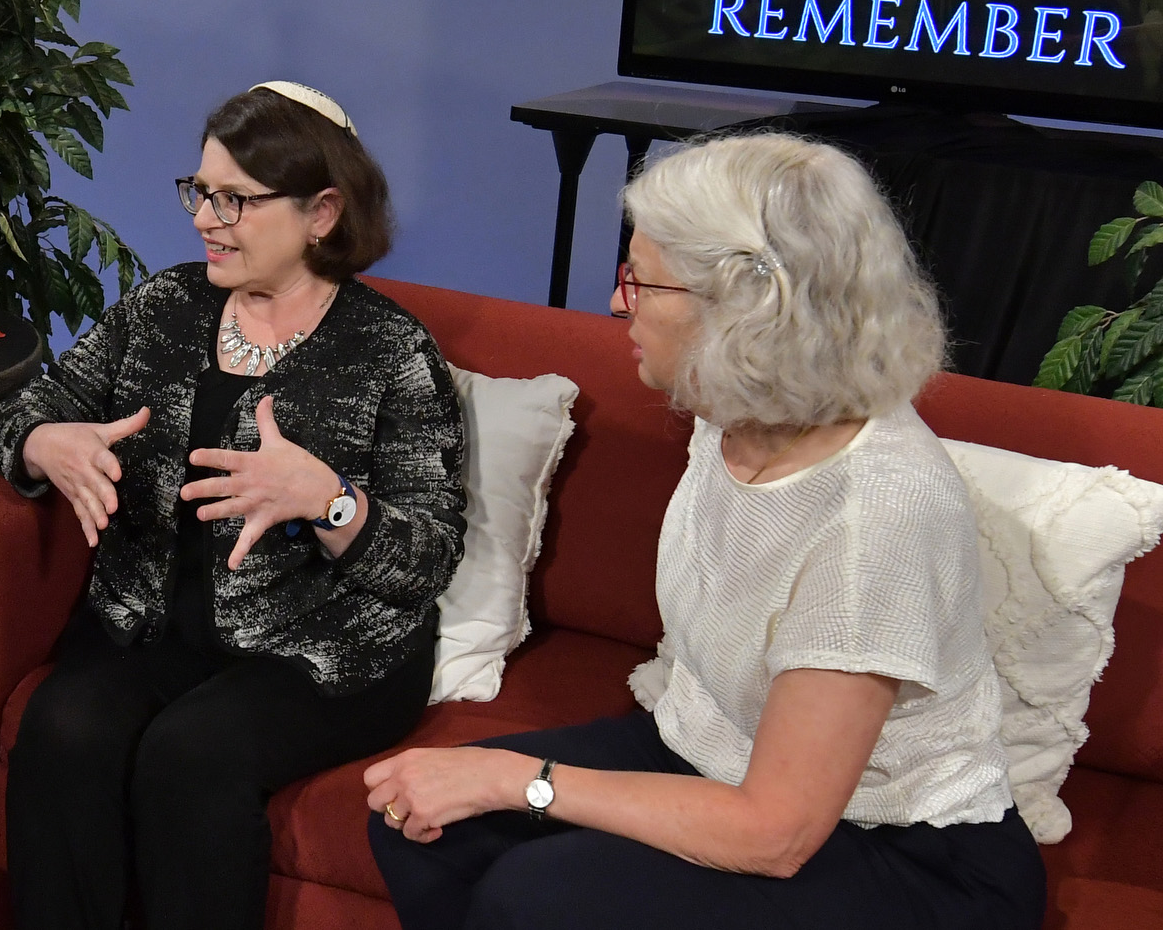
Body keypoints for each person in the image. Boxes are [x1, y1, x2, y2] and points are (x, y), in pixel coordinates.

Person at [364, 133, 1044, 930]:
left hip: (901, 848)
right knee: (417, 818)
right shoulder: (730, 412)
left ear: (745, 313)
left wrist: (519, 779)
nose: (618, 302)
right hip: (709, 754)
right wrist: (492, 781)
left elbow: (777, 832)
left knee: (536, 895)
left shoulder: (876, 515)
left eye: (641, 280)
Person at [0, 82, 468, 930]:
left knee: (191, 755)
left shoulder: (390, 352)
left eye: (235, 200)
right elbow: (26, 410)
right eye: (200, 191)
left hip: (322, 642)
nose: (206, 218)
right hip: (151, 619)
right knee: (63, 725)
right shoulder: (164, 307)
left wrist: (329, 500)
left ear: (322, 212)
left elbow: (428, 556)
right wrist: (44, 444)